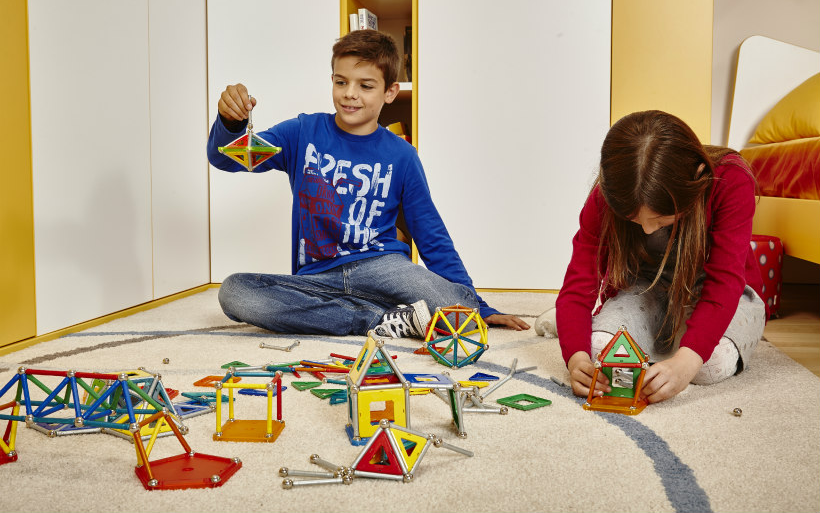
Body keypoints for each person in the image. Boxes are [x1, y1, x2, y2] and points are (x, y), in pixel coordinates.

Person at [207, 29, 528, 339]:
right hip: (318, 276)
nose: (350, 93)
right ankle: (376, 318)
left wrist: (477, 306)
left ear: (389, 91)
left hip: (383, 268)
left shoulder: (402, 155)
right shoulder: (302, 132)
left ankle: (358, 313)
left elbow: (430, 232)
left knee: (465, 318)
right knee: (235, 292)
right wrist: (231, 122)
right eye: (341, 81)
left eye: (366, 85)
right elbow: (225, 158)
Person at [538, 110, 766, 404]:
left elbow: (725, 282)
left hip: (720, 292)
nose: (646, 229)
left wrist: (687, 362)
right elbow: (579, 284)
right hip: (647, 288)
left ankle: (678, 340)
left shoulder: (730, 180)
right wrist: (576, 358)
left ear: (695, 178)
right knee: (599, 350)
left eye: (659, 219)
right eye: (635, 220)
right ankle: (594, 328)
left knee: (709, 365)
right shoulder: (605, 196)